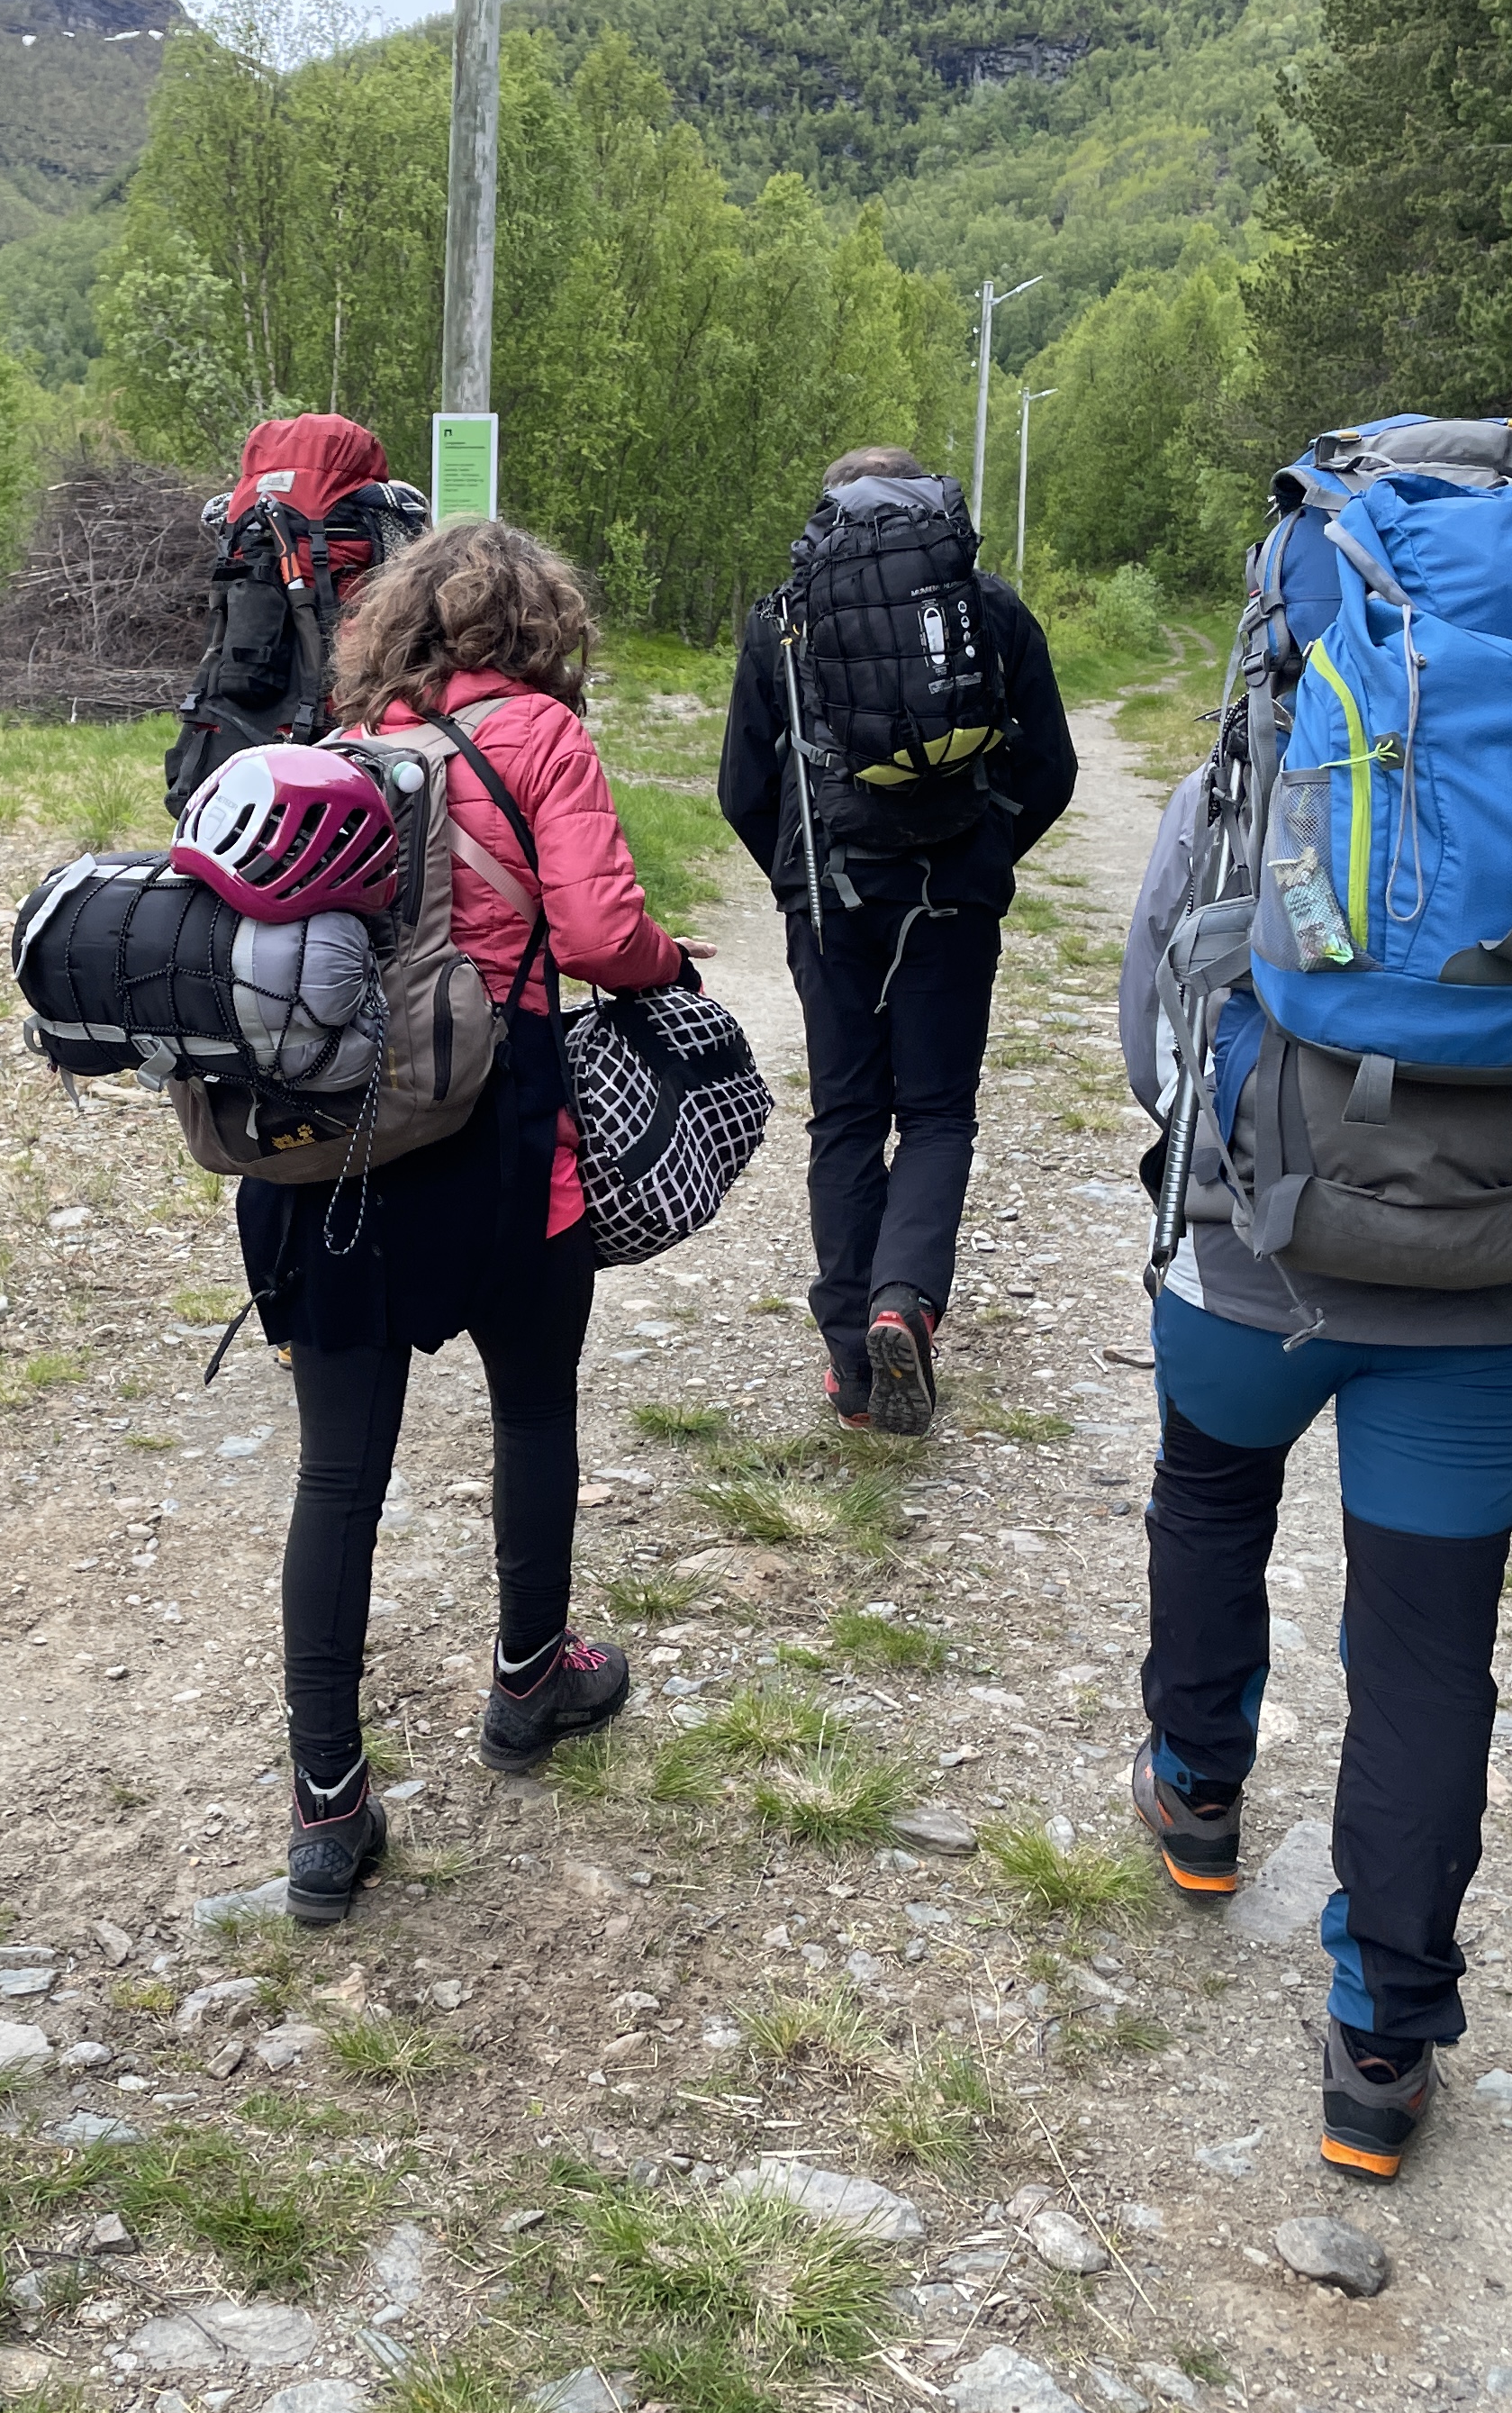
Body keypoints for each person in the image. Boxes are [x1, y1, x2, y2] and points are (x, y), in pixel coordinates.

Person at [238, 518, 705, 1925]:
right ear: (542, 629)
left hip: (331, 1154)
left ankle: (328, 1808)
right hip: (507, 1143)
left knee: (338, 1481)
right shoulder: (546, 741)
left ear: (402, 627)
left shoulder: (342, 746)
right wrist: (674, 962)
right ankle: (527, 1681)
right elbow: (608, 936)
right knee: (532, 1415)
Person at [1112, 763, 1512, 2183]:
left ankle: (1196, 1794)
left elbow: (1151, 1018)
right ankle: (1378, 2046)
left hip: (1254, 1240)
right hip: (1489, 1266)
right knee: (1430, 1650)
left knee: (1212, 1496)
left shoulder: (1258, 765)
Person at [717, 448, 1074, 1435]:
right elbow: (1052, 769)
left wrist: (798, 880)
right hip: (954, 902)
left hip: (829, 905)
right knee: (935, 1116)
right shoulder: (989, 611)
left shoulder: (782, 618)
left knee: (843, 1119)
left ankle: (852, 1368)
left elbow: (743, 790)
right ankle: (903, 1303)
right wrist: (987, 851)